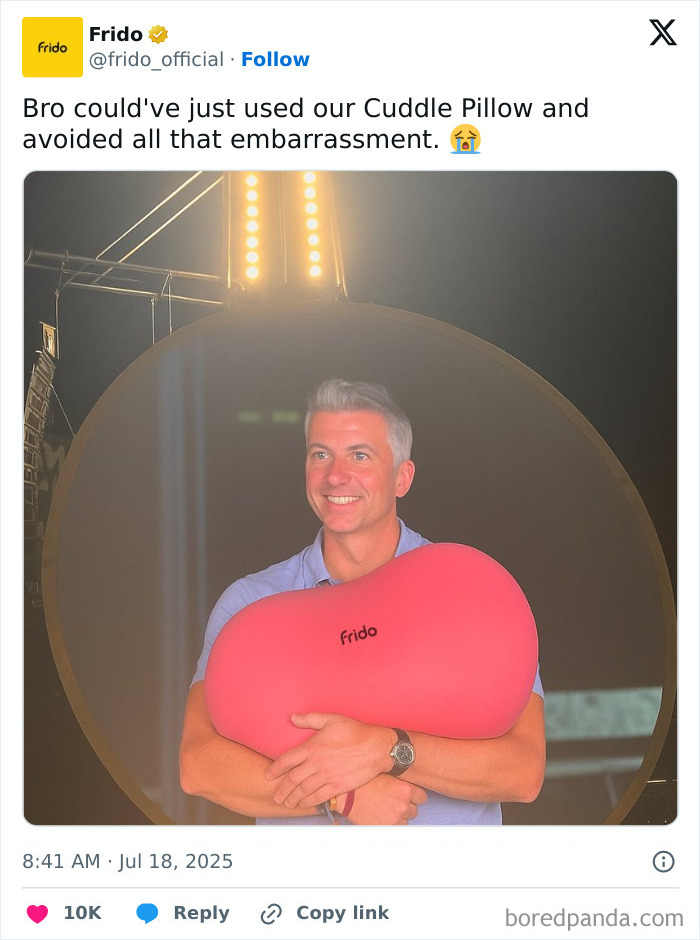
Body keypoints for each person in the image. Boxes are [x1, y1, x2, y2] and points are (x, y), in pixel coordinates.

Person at [180, 379, 545, 825]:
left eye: (360, 455)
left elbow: (524, 769)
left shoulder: (468, 590)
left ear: (402, 477)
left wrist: (386, 749)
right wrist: (340, 798)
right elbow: (199, 766)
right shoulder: (250, 603)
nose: (336, 475)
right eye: (320, 455)